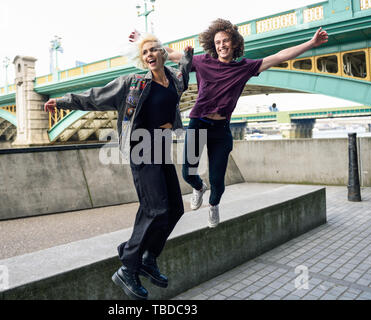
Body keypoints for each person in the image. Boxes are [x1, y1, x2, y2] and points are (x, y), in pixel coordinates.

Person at [44, 34, 194, 300]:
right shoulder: (132, 83)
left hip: (160, 146)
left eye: (153, 50)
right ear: (142, 58)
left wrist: (188, 57)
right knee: (156, 208)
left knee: (175, 208)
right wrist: (65, 101)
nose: (149, 55)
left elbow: (183, 77)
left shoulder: (173, 79)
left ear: (162, 53)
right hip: (140, 147)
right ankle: (128, 265)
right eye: (144, 52)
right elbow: (96, 97)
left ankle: (148, 258)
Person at [165, 19, 328, 228]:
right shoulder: (203, 61)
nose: (221, 45)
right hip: (198, 123)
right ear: (213, 46)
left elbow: (278, 56)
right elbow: (170, 54)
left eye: (225, 41)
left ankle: (213, 205)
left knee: (218, 182)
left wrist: (311, 43)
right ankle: (198, 188)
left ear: (233, 43)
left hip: (221, 129)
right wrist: (144, 42)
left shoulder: (244, 67)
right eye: (217, 42)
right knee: (188, 173)